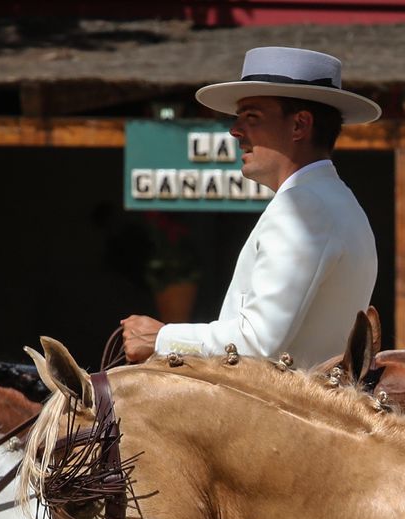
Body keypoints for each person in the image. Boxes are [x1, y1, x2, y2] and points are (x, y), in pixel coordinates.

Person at [119, 47, 380, 365]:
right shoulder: (337, 200)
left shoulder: (303, 206)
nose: (235, 130)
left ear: (299, 125)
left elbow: (258, 342)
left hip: (275, 409)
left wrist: (161, 338)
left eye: (252, 117)